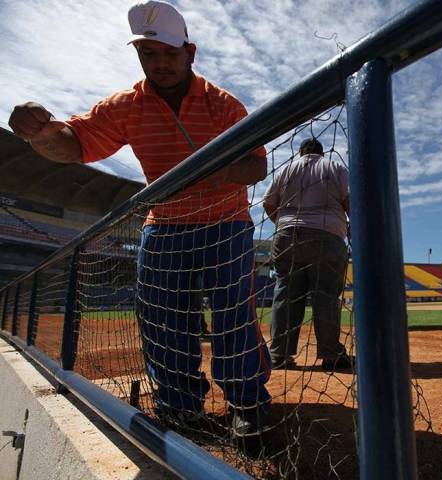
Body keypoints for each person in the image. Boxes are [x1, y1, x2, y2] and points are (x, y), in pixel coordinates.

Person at [8, 0, 271, 437]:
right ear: (137, 54)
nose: (161, 64)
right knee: (160, 316)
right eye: (149, 54)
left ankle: (248, 403)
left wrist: (204, 168)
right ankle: (180, 406)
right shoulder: (126, 105)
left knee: (233, 314)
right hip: (163, 223)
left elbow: (256, 166)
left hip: (226, 222)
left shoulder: (223, 105)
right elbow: (73, 145)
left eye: (170, 53)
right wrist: (39, 133)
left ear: (191, 52)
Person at [262, 138, 353, 371]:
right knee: (326, 295)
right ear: (321, 152)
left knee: (286, 293)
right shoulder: (334, 166)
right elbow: (350, 201)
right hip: (326, 234)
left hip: (287, 235)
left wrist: (283, 224)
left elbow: (268, 203)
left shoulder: (285, 169)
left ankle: (279, 355)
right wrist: (348, 227)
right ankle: (331, 355)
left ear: (301, 152)